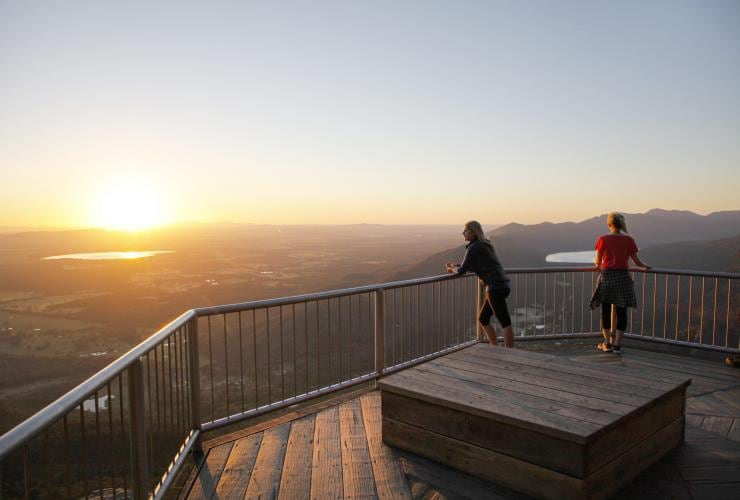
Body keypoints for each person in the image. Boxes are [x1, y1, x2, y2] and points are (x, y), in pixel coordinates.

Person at [446, 220, 515, 347]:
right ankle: (494, 347)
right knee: (483, 318)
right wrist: (458, 266)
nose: (463, 233)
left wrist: (452, 269)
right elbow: (478, 266)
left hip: (495, 287)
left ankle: (510, 353)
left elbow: (461, 271)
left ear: (472, 232)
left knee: (505, 321)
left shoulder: (473, 247)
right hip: (502, 285)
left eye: (465, 231)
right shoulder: (484, 245)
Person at [590, 212, 650, 354]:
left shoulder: (602, 239)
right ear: (622, 225)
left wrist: (599, 264)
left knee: (605, 311)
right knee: (621, 311)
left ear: (609, 224)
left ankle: (607, 343)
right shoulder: (629, 240)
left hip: (608, 278)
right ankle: (617, 345)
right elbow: (636, 261)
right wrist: (645, 266)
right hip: (623, 278)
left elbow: (598, 262)